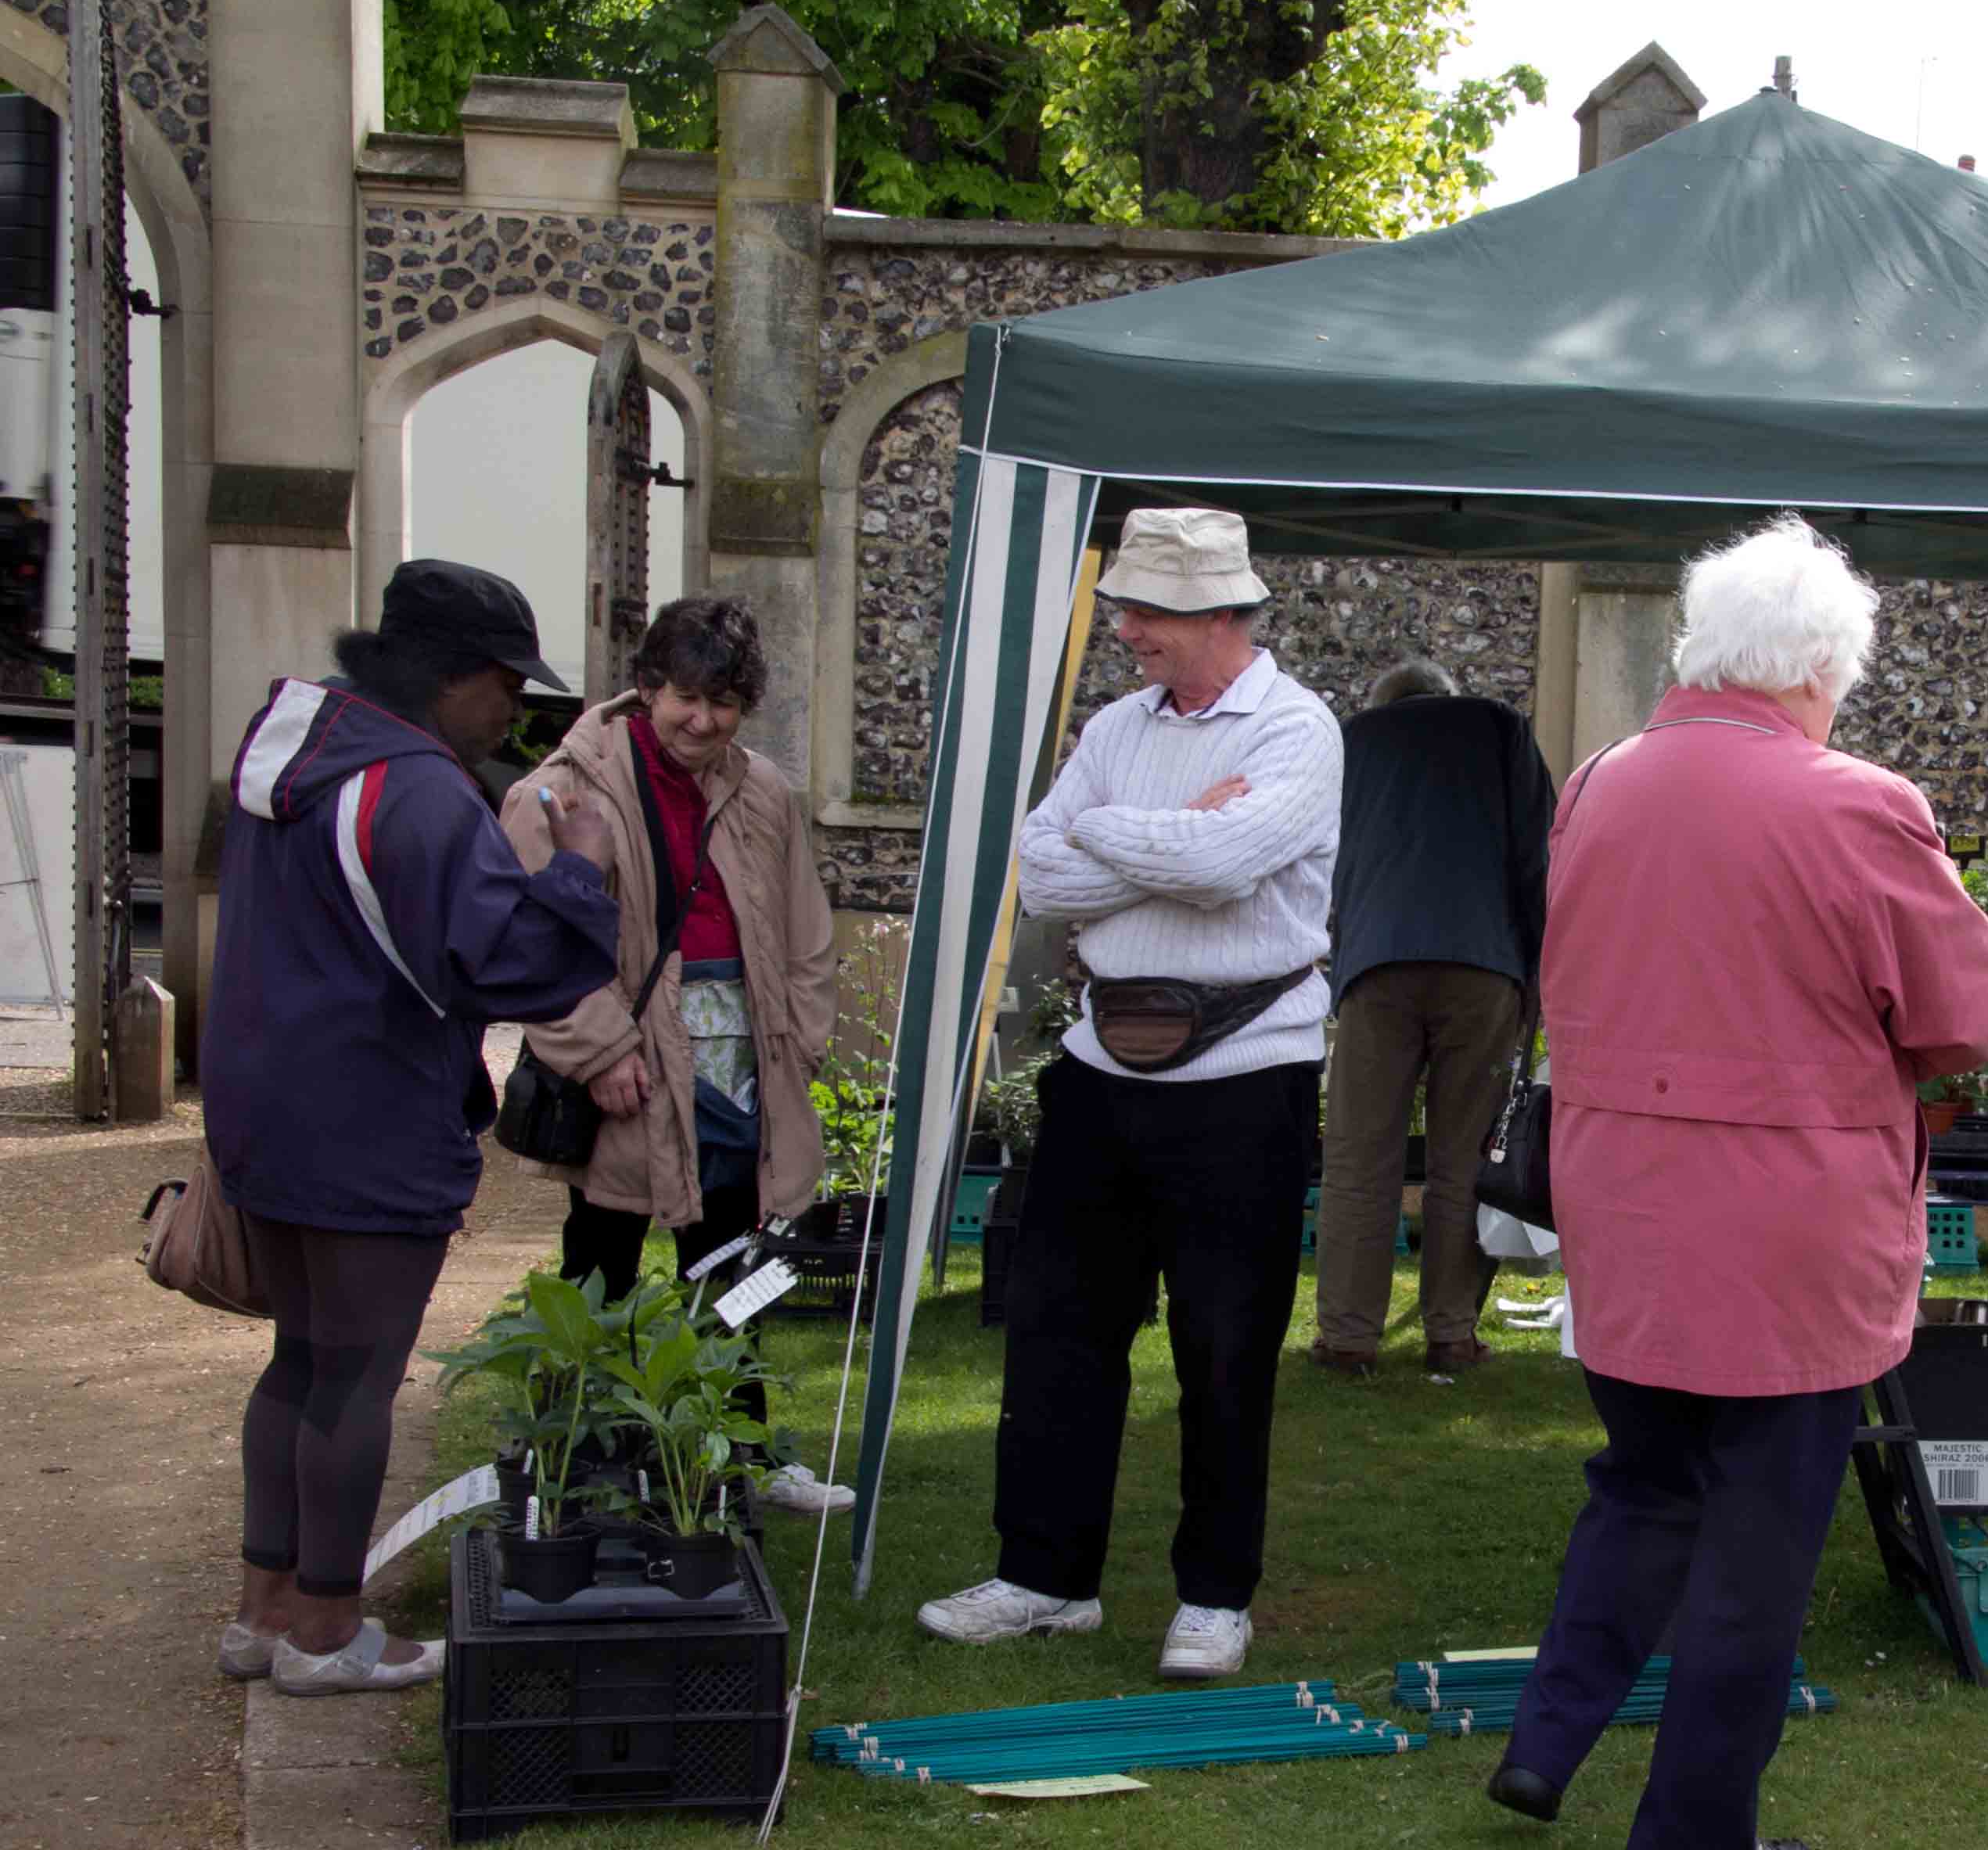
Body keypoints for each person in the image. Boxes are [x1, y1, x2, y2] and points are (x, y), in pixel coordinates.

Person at [1482, 515, 1988, 1850]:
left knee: (1642, 1485)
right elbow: (1957, 1021)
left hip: (1625, 1198)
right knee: (1755, 1541)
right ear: (1821, 664)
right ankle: (1689, 1837)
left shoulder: (1598, 780)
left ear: (1701, 649)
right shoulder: (1857, 802)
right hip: (1787, 1216)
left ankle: (1544, 1741)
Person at [918, 508, 1339, 1681]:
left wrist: (1130, 845)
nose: (1127, 632)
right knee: (1057, 1331)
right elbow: (1040, 867)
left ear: (1218, 615)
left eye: (1146, 612)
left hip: (1247, 1077)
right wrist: (1161, 837)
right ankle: (1045, 1577)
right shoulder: (1116, 725)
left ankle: (1214, 1596)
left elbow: (1225, 867)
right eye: (1126, 612)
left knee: (1225, 1343)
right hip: (1102, 1071)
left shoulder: (1302, 730)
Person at [205, 559, 622, 1695]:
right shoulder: (421, 791)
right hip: (370, 1112)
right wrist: (579, 868)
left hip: (263, 1103)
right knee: (357, 1376)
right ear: (454, 679)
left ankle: (263, 1612)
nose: (512, 713)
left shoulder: (288, 755)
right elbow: (517, 965)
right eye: (505, 687)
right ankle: (329, 1635)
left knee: (297, 1361)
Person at [501, 595, 848, 1514]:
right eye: (687, 697)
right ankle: (571, 1463)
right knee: (601, 1263)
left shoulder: (763, 788)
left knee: (732, 1260)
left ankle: (744, 1455)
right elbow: (535, 950)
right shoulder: (561, 788)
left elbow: (806, 927)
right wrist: (600, 1048)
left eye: (725, 702)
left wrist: (801, 1041)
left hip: (742, 1056)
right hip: (629, 1056)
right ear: (647, 687)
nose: (703, 720)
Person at [1311, 659, 1556, 1378]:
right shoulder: (1500, 728)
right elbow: (1539, 854)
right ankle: (1450, 1335)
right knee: (1465, 1158)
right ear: (1448, 696)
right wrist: (1539, 965)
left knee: (1359, 1156)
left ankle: (1348, 1339)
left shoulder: (1350, 741)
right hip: (1482, 965)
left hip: (1376, 963)